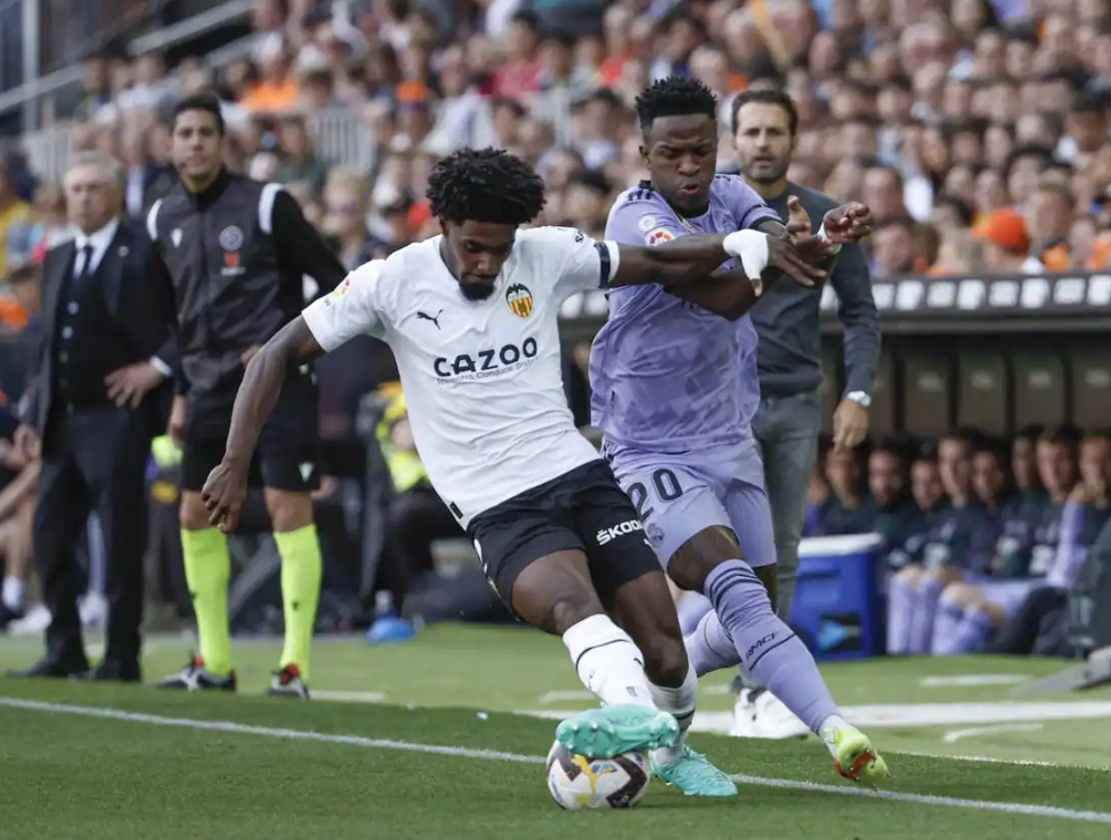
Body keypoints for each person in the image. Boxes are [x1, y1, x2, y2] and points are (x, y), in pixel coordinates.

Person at [198, 147, 819, 795]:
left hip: (579, 476)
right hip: (498, 504)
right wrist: (234, 462)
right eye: (474, 248)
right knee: (576, 605)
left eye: (500, 248)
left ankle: (667, 748)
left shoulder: (543, 254)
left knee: (665, 645)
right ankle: (635, 717)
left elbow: (659, 261)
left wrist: (740, 239)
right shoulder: (389, 282)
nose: (488, 263)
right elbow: (274, 355)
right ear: (442, 223)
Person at [590, 76, 888, 786]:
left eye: (700, 150)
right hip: (650, 447)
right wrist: (773, 259)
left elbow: (772, 235)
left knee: (743, 617)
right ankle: (836, 728)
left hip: (730, 438)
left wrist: (814, 243)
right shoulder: (635, 218)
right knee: (738, 587)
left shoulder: (733, 194)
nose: (689, 167)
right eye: (673, 154)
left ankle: (651, 701)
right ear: (646, 153)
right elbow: (719, 294)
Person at [146, 93, 346, 698]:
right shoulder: (162, 218)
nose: (196, 142)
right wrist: (181, 393)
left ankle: (294, 668)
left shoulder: (266, 204)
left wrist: (290, 347)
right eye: (185, 133)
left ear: (222, 140)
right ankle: (214, 661)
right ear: (171, 144)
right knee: (192, 511)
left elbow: (336, 278)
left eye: (206, 132)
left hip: (277, 380)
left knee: (289, 506)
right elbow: (175, 315)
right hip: (205, 386)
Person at [729, 87, 881, 735]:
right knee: (716, 547)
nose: (762, 142)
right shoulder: (709, 210)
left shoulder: (826, 216)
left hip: (792, 403)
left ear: (793, 140)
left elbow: (860, 313)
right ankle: (680, 667)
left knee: (780, 550)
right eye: (752, 131)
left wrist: (859, 391)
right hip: (716, 407)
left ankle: (754, 684)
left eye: (774, 132)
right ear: (734, 140)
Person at [6, 151, 176, 682]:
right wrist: (34, 412)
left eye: (94, 188)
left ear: (115, 193)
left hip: (116, 418)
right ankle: (66, 649)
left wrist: (155, 367)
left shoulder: (143, 252)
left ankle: (122, 655)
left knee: (121, 537)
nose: (83, 197)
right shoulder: (56, 256)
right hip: (63, 422)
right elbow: (45, 345)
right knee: (51, 537)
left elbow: (184, 319)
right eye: (75, 188)